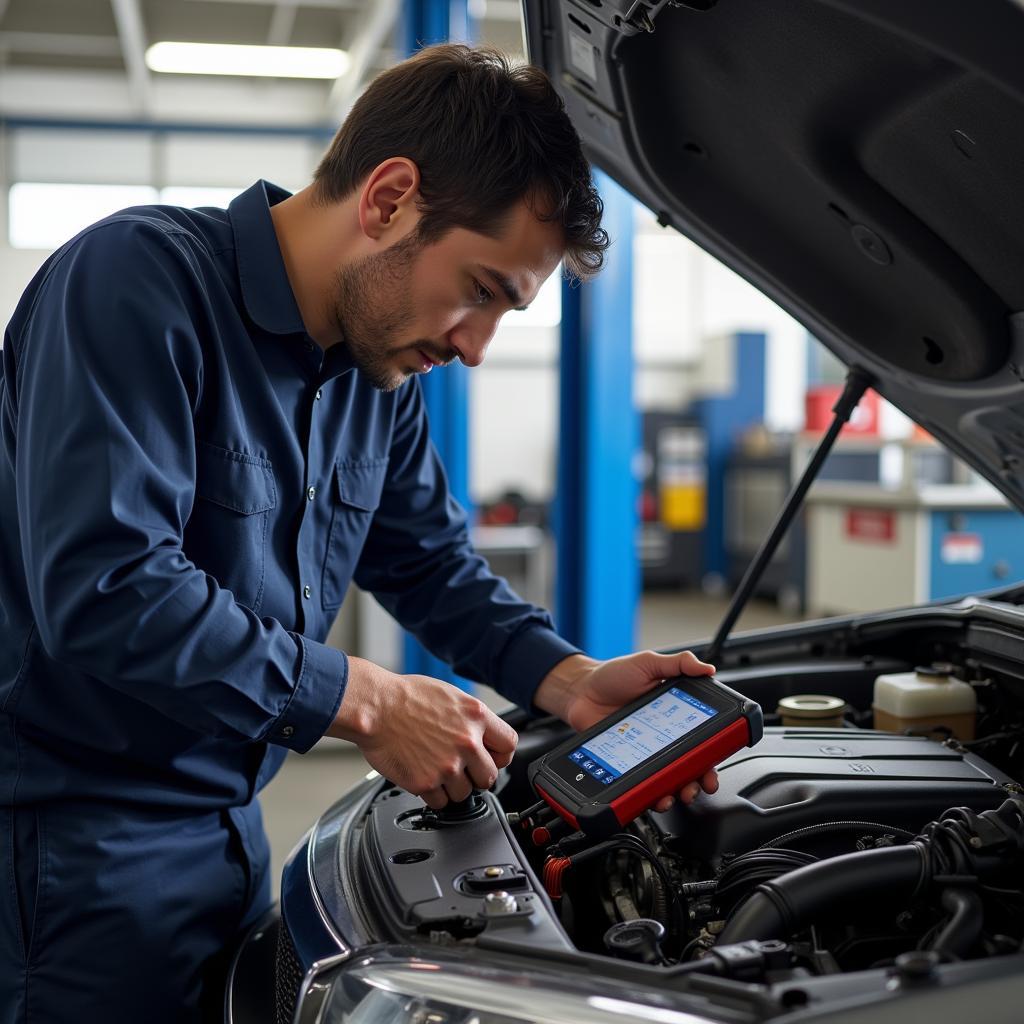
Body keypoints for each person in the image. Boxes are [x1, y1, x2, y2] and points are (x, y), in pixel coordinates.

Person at [0, 44, 717, 1023]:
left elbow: (429, 565)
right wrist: (367, 701)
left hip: (231, 835)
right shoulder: (137, 283)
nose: (473, 347)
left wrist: (566, 678)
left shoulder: (377, 374)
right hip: (69, 854)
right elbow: (106, 588)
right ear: (388, 198)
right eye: (481, 288)